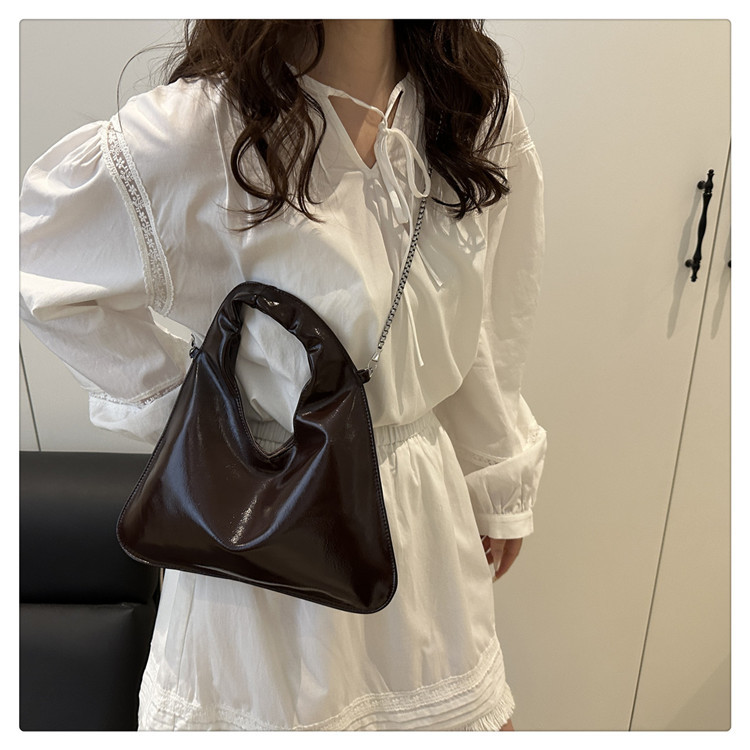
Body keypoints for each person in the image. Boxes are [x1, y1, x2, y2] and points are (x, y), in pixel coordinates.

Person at [19, 20, 548, 731]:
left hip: (422, 536)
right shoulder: (202, 128)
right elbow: (37, 261)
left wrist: (494, 471)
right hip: (255, 548)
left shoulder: (470, 103)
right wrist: (197, 414)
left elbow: (485, 314)